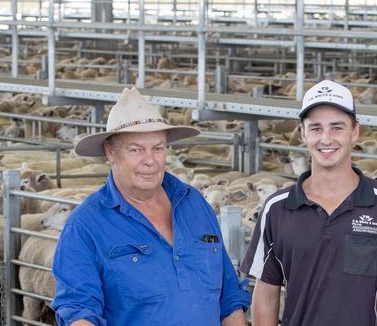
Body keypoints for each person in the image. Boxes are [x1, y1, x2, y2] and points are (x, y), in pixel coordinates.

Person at [51, 87, 250, 326]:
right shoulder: (85, 225)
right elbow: (78, 310)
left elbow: (228, 293)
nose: (149, 160)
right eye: (136, 149)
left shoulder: (195, 203)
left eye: (158, 148)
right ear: (110, 152)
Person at [241, 79, 377, 326]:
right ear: (302, 133)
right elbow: (267, 291)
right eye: (315, 128)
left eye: (337, 128)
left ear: (355, 131)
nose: (326, 139)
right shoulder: (277, 208)